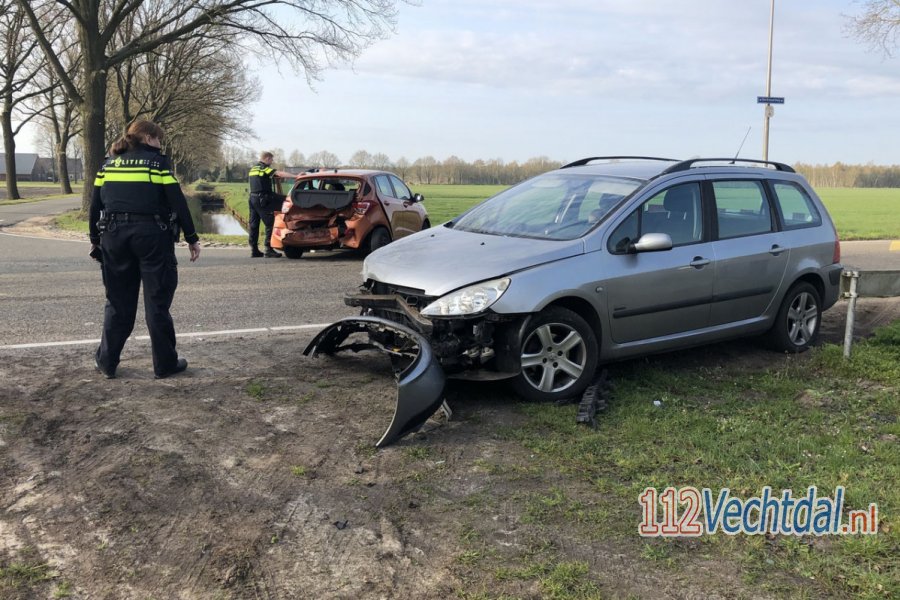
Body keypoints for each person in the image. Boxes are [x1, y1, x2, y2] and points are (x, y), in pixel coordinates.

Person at [88, 120, 201, 379]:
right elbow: (177, 201)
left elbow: (95, 205)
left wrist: (95, 238)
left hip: (114, 237)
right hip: (152, 237)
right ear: (148, 138)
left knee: (117, 302)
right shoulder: (157, 164)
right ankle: (164, 364)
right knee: (157, 303)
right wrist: (192, 238)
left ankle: (107, 362)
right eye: (159, 139)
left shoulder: (108, 164)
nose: (160, 144)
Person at [248, 151, 298, 257]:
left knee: (254, 225)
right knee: (270, 223)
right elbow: (278, 173)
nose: (272, 161)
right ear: (267, 158)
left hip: (253, 199)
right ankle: (268, 249)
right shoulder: (263, 168)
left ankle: (254, 250)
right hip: (263, 199)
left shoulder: (253, 169)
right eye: (271, 159)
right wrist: (296, 176)